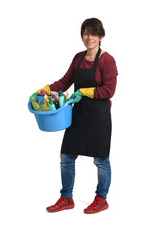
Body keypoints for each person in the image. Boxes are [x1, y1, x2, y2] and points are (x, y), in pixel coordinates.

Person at [37, 18, 118, 214]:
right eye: (86, 33)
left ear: (101, 36)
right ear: (82, 36)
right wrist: (46, 89)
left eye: (94, 34)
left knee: (101, 160)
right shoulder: (78, 58)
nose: (89, 37)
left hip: (99, 118)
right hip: (78, 114)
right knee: (66, 156)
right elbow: (65, 81)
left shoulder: (107, 60)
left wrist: (85, 91)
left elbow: (109, 90)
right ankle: (66, 198)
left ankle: (101, 198)